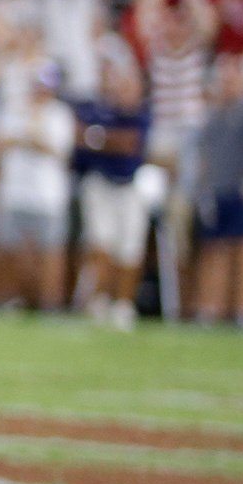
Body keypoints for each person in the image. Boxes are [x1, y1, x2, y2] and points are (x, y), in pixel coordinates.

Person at [70, 56, 153, 329]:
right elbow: (80, 138)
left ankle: (123, 304)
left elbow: (128, 144)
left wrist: (100, 140)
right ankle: (98, 300)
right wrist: (104, 140)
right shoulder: (99, 109)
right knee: (100, 243)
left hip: (130, 185)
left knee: (129, 248)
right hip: (101, 182)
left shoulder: (142, 115)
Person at [0, 64, 77, 311]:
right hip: (14, 190)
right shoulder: (14, 109)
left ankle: (50, 303)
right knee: (9, 249)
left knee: (51, 251)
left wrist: (30, 138)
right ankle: (10, 299)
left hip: (47, 194)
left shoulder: (60, 114)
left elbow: (58, 150)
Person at [191, 56, 243, 326]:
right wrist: (203, 188)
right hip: (217, 188)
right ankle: (212, 307)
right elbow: (205, 155)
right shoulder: (213, 115)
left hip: (241, 189)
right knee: (215, 249)